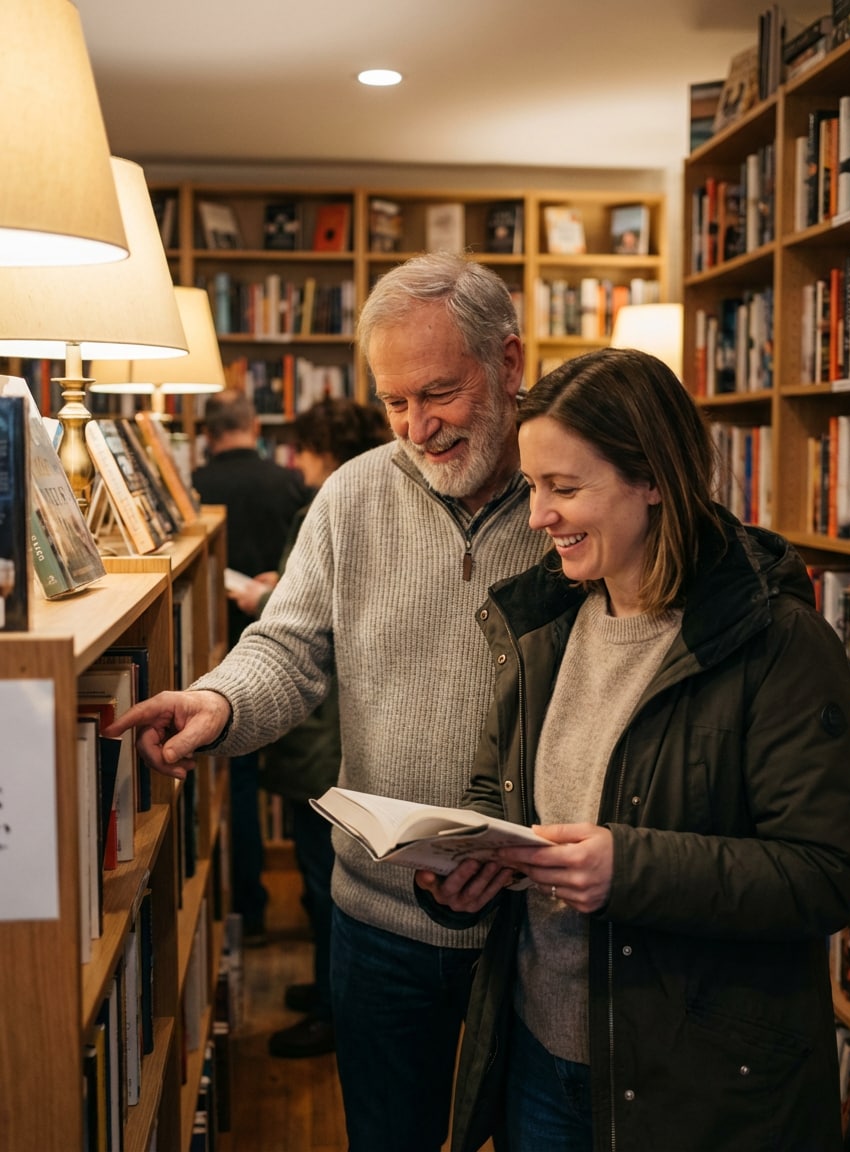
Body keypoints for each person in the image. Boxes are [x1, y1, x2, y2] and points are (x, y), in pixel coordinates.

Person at [105, 252, 550, 1152]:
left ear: (509, 365)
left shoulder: (574, 494)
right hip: (379, 920)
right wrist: (218, 704)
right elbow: (287, 647)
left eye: (440, 393)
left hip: (542, 924)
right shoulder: (351, 496)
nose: (417, 428)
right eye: (394, 402)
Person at [415, 347, 850, 1152]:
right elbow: (500, 796)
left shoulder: (778, 645)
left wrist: (628, 869)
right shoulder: (544, 626)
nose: (537, 518)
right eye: (533, 487)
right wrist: (465, 867)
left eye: (565, 488)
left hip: (694, 1089)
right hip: (538, 1055)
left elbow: (825, 877)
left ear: (654, 479)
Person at [229, 396, 391, 1058]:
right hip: (334, 724)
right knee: (322, 870)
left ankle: (333, 1004)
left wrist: (261, 597)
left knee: (326, 876)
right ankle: (328, 990)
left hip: (321, 733)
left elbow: (307, 622)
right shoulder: (372, 505)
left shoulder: (331, 507)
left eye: (304, 448)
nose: (296, 462)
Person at [192, 389, 308, 944]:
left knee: (233, 781)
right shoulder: (289, 483)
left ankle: (248, 911)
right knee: (296, 781)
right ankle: (312, 923)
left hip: (212, 653)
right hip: (299, 652)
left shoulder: (194, 486)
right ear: (254, 425)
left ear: (207, 433)